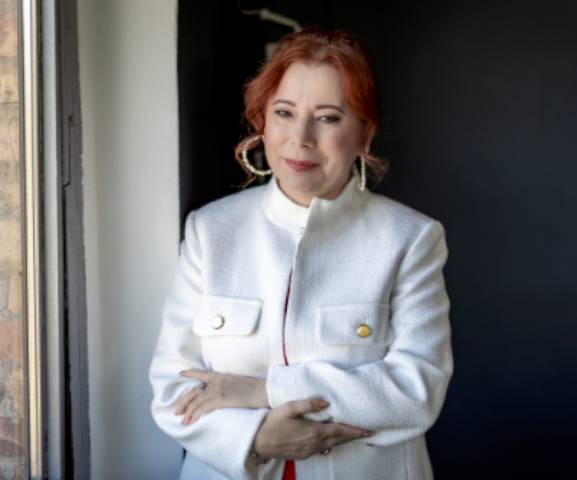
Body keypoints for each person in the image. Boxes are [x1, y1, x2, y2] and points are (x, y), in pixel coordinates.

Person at [148, 28, 453, 480]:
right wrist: (255, 438)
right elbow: (174, 389)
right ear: (262, 122)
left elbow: (416, 391)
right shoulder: (209, 231)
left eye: (327, 118)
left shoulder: (410, 238)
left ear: (364, 132)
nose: (300, 138)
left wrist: (264, 390)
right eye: (284, 113)